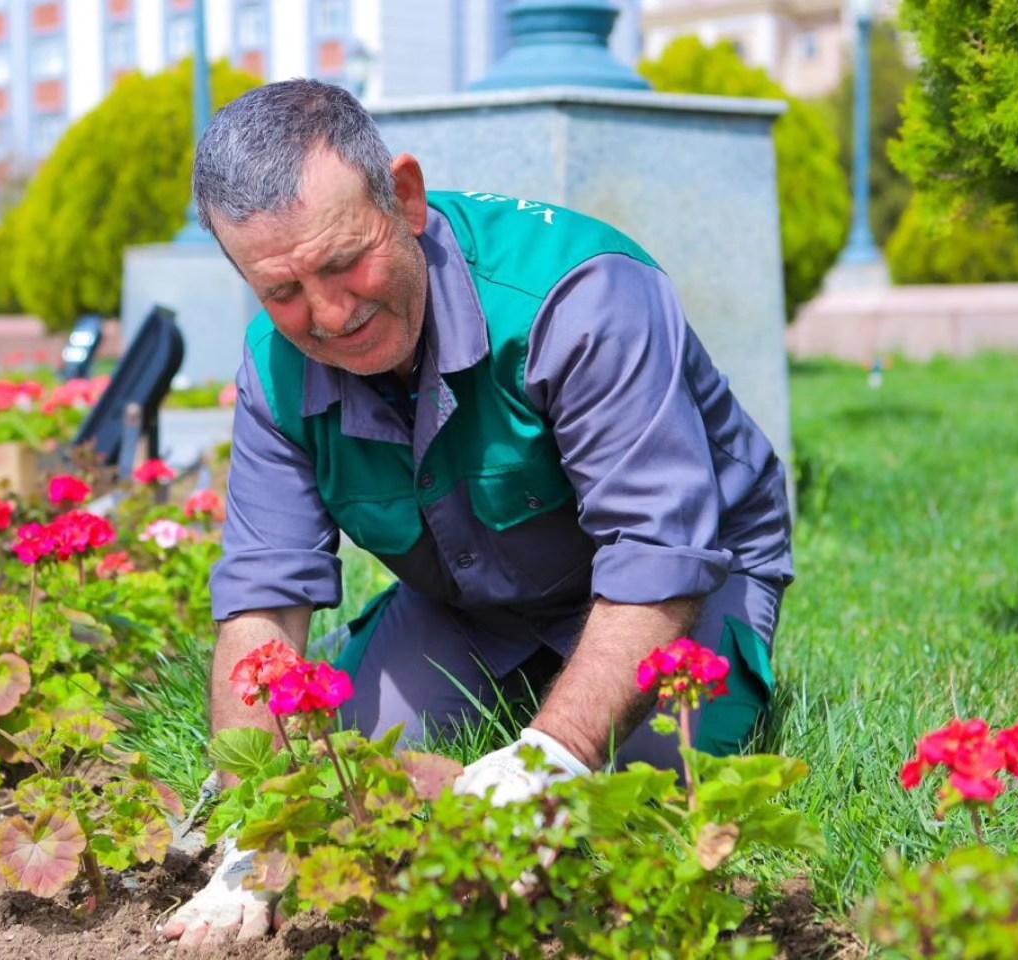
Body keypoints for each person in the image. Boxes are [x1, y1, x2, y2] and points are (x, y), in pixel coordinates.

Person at [161, 79, 793, 948]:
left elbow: (658, 552)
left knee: (633, 812)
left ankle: (553, 719)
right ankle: (521, 703)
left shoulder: (580, 298)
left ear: (405, 198)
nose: (331, 314)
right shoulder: (275, 366)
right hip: (470, 595)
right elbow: (263, 600)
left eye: (344, 263)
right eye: (283, 290)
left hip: (689, 576)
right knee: (344, 783)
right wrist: (248, 839)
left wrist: (549, 760)